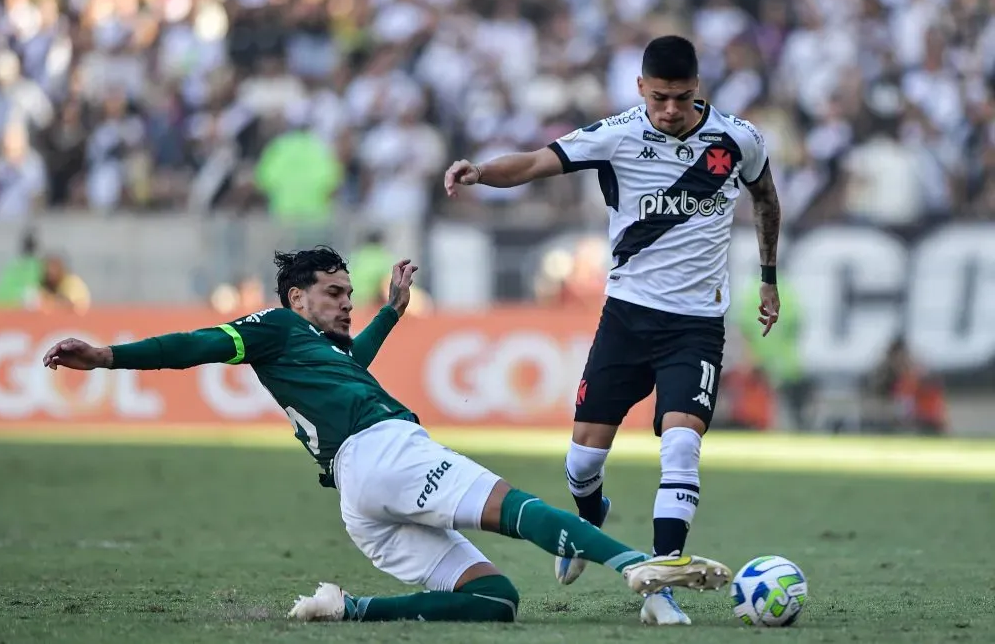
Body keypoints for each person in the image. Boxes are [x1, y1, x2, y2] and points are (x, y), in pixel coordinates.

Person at [40, 247, 731, 626]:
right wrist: (109, 356)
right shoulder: (272, 329)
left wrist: (391, 313)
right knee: (513, 506)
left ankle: (349, 608)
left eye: (349, 292)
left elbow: (348, 368)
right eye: (335, 293)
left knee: (495, 600)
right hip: (384, 451)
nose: (347, 302)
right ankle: (639, 565)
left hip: (357, 497)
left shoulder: (312, 349)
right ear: (296, 298)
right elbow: (195, 343)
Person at [443, 35, 781, 625]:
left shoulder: (738, 139)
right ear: (640, 90)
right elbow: (534, 162)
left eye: (680, 98)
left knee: (681, 447)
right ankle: (588, 514)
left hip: (697, 325)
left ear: (697, 89)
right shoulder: (617, 133)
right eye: (658, 98)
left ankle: (660, 582)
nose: (669, 110)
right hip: (626, 319)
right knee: (580, 462)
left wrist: (771, 277)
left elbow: (767, 199)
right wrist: (481, 173)